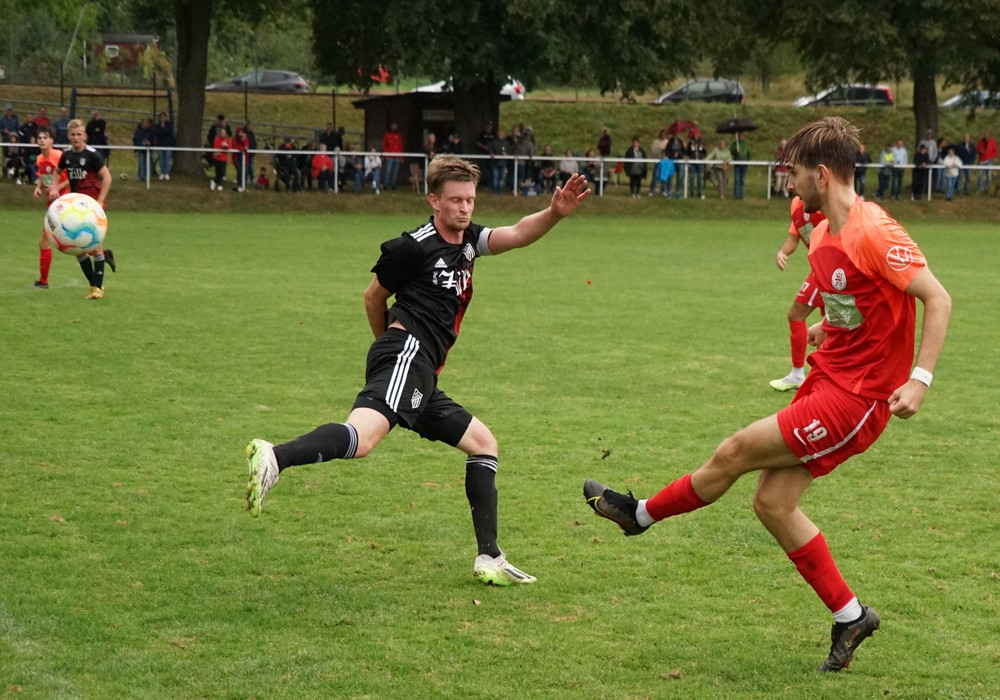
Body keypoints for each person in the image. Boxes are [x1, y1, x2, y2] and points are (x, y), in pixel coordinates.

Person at [583, 116, 951, 673]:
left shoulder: (873, 230)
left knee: (735, 450)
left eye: (795, 173)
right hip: (828, 379)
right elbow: (855, 305)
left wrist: (919, 379)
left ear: (822, 175)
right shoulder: (820, 234)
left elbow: (937, 298)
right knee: (772, 504)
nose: (789, 184)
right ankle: (851, 616)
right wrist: (829, 327)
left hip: (858, 399)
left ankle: (640, 515)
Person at [244, 154, 591, 586]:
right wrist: (389, 349)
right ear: (434, 200)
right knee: (362, 439)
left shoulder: (469, 240)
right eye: (456, 200)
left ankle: (490, 557)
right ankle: (274, 456)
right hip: (406, 353)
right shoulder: (414, 246)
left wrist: (554, 213)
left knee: (483, 444)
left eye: (470, 200)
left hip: (420, 367)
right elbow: (373, 297)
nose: (465, 208)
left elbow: (517, 233)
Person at [48, 119, 115, 299]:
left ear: (85, 135)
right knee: (78, 248)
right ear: (68, 136)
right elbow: (57, 171)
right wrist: (54, 187)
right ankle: (93, 284)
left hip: (92, 207)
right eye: (73, 135)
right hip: (75, 206)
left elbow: (107, 177)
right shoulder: (67, 155)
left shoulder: (93, 155)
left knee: (94, 245)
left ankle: (98, 288)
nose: (76, 138)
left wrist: (100, 201)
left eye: (79, 134)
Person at [769, 195, 827, 391]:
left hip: (828, 269)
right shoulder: (796, 204)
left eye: (793, 179)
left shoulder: (824, 200)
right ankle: (820, 378)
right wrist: (782, 252)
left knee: (797, 315)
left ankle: (800, 375)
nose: (790, 185)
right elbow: (793, 238)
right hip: (820, 269)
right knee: (831, 326)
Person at [31, 125, 69, 288]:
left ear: (52, 140)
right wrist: (38, 187)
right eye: (39, 138)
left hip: (64, 202)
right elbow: (43, 175)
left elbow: (71, 177)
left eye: (45, 137)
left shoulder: (59, 156)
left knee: (48, 240)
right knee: (54, 241)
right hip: (52, 202)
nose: (42, 140)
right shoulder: (40, 158)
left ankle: (43, 282)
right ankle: (101, 254)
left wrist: (57, 188)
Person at [153, 111, 175, 180]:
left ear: (166, 117)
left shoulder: (169, 125)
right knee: (161, 160)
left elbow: (167, 131)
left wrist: (162, 131)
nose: (162, 118)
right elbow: (157, 132)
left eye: (164, 117)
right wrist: (163, 131)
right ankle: (162, 173)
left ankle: (166, 173)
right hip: (160, 145)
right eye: (161, 117)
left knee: (167, 160)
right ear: (159, 118)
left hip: (168, 145)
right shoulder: (157, 126)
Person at [381, 122, 403, 190]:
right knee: (388, 171)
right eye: (393, 126)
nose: (394, 127)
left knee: (395, 172)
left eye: (395, 126)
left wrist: (401, 157)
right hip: (389, 156)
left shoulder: (398, 135)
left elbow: (400, 146)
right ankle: (385, 185)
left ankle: (393, 185)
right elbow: (385, 146)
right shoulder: (387, 135)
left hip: (397, 156)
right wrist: (386, 156)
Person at [663, 133, 686, 198]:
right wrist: (673, 155)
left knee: (680, 177)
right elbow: (666, 152)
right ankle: (669, 192)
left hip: (679, 161)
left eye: (677, 134)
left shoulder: (681, 142)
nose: (676, 135)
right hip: (671, 161)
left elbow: (684, 152)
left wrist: (684, 148)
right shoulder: (670, 142)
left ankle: (678, 192)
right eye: (675, 134)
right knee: (670, 177)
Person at [686, 132, 707, 199]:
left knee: (699, 178)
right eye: (695, 134)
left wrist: (703, 148)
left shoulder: (702, 142)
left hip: (699, 162)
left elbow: (705, 152)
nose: (696, 136)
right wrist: (690, 148)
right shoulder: (690, 142)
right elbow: (687, 153)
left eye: (697, 134)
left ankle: (699, 192)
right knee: (692, 177)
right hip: (692, 162)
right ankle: (692, 192)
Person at [647, 129, 668, 196]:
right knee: (655, 177)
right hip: (658, 162)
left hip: (664, 162)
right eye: (662, 134)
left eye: (664, 134)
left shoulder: (667, 142)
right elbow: (653, 150)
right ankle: (651, 190)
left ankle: (663, 190)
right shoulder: (656, 142)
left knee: (664, 177)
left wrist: (665, 151)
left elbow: (669, 151)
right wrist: (659, 151)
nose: (663, 136)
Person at [730, 133, 751, 200]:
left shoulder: (746, 145)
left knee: (742, 179)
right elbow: (731, 152)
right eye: (740, 136)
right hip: (737, 164)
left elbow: (749, 154)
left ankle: (741, 194)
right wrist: (735, 150)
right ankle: (736, 195)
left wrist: (747, 161)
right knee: (737, 179)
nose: (741, 137)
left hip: (744, 164)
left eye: (742, 136)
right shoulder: (734, 144)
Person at [231, 127, 250, 191]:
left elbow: (246, 146)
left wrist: (243, 140)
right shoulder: (234, 139)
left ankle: (243, 184)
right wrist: (242, 148)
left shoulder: (246, 139)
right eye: (239, 132)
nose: (240, 133)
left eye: (242, 132)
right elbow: (235, 147)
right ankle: (240, 184)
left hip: (244, 158)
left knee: (245, 171)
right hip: (237, 158)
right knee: (239, 171)